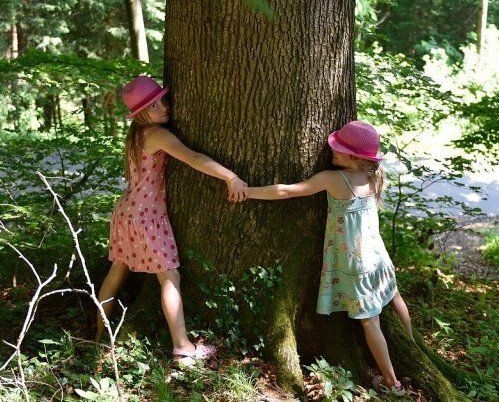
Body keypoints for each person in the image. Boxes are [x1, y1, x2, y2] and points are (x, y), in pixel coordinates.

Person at [245, 120, 414, 389]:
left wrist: (248, 192)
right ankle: (412, 344)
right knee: (393, 295)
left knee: (371, 323)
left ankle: (392, 382)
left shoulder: (333, 179)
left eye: (339, 148)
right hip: (378, 257)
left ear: (354, 156)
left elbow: (287, 191)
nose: (331, 149)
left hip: (356, 266)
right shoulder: (374, 177)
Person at [96, 75, 247, 364]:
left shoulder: (135, 135)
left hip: (125, 213)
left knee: (117, 271)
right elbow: (194, 158)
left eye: (162, 101)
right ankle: (182, 346)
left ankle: (99, 336)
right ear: (142, 113)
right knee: (169, 277)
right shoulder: (157, 135)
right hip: (147, 217)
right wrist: (230, 176)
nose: (164, 107)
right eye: (155, 105)